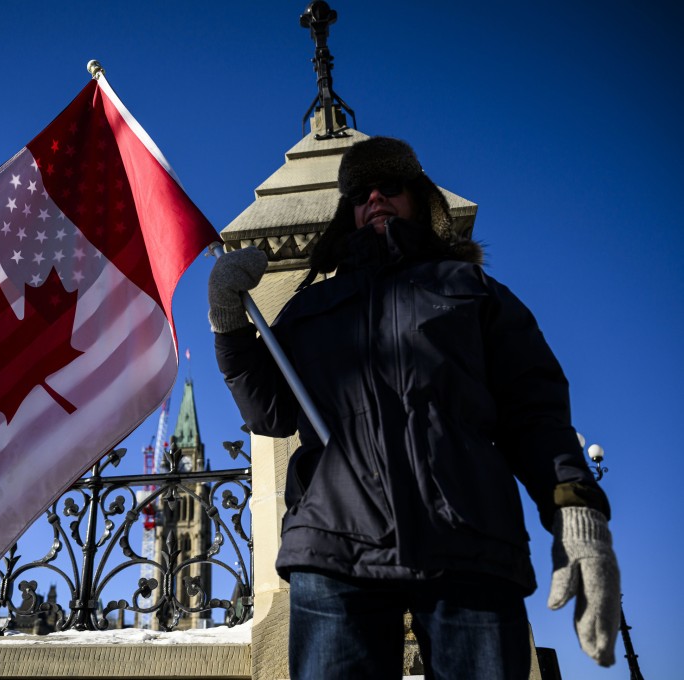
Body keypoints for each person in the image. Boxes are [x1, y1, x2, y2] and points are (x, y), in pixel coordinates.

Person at [208, 136, 620, 679]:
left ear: (420, 198)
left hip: (469, 542)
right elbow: (269, 411)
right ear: (347, 211)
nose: (375, 197)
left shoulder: (472, 290)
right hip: (335, 550)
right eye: (359, 192)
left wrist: (576, 509)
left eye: (390, 185)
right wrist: (229, 322)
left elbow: (534, 410)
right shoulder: (311, 306)